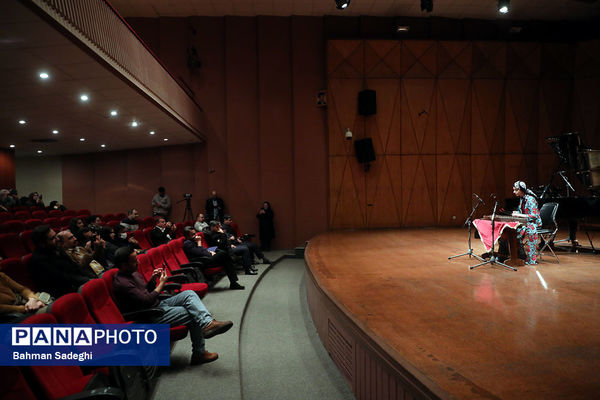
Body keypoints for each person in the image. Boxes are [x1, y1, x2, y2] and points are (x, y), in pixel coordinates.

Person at [112, 246, 234, 365]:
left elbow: (144, 291)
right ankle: (199, 353)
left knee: (189, 294)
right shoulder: (122, 283)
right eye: (134, 261)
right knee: (192, 313)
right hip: (150, 315)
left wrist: (153, 280)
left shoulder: (132, 273)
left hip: (158, 304)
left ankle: (207, 323)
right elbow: (146, 300)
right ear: (124, 265)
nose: (138, 262)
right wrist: (161, 284)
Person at [28, 225, 95, 299]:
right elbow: (63, 277)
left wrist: (91, 276)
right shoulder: (39, 260)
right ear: (42, 244)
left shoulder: (57, 249)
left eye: (56, 236)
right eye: (53, 238)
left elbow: (75, 266)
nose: (57, 239)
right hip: (61, 293)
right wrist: (87, 280)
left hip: (74, 283)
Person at [498, 181, 542, 265]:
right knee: (510, 230)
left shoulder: (531, 199)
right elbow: (522, 211)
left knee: (530, 230)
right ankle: (516, 255)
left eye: (516, 190)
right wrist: (517, 212)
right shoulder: (522, 199)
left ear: (521, 190)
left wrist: (520, 215)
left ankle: (530, 260)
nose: (514, 192)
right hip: (525, 222)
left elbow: (534, 216)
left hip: (533, 222)